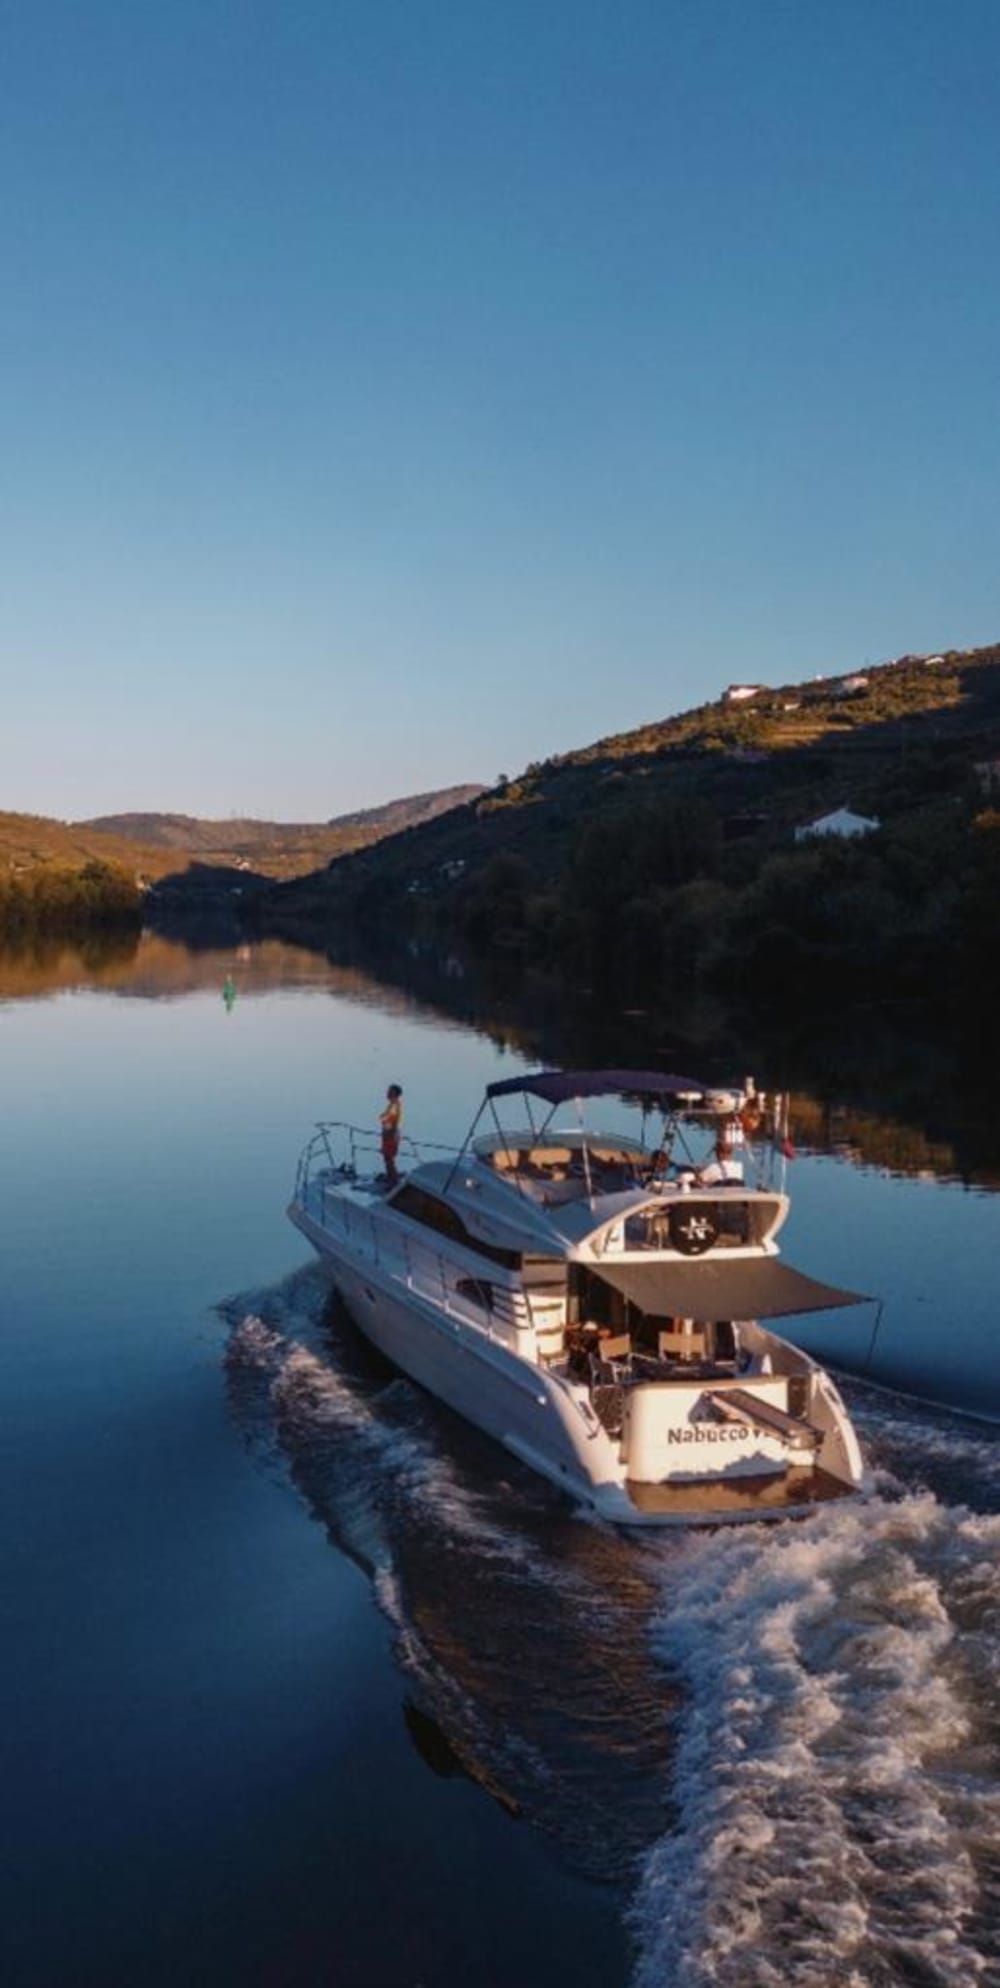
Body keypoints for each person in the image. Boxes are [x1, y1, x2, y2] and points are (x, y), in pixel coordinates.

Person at [379, 1084, 404, 1186]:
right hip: (390, 1135)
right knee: (387, 1158)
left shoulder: (394, 1106)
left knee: (389, 1158)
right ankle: (391, 1177)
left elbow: (390, 1121)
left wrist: (387, 1133)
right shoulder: (393, 1105)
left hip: (391, 1136)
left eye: (390, 1091)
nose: (387, 1093)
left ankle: (393, 1179)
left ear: (394, 1093)